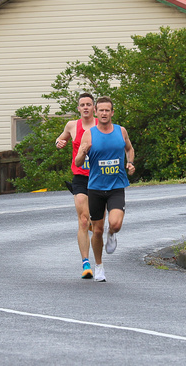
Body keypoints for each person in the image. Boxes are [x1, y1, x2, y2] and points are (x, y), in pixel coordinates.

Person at [75, 96, 135, 282]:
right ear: (95, 112)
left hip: (116, 185)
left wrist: (130, 163)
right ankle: (99, 266)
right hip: (95, 188)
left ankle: (112, 234)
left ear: (112, 112)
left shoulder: (121, 131)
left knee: (115, 224)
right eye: (100, 110)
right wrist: (84, 151)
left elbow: (129, 149)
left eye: (107, 110)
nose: (103, 113)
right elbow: (77, 162)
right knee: (97, 230)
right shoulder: (89, 134)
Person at [55, 93, 98, 279]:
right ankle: (86, 263)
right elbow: (60, 139)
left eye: (89, 104)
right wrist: (59, 143)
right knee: (82, 219)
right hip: (80, 177)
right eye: (83, 105)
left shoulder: (101, 125)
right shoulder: (72, 125)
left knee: (97, 223)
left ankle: (94, 225)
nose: (86, 107)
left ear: (94, 107)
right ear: (79, 108)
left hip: (100, 177)